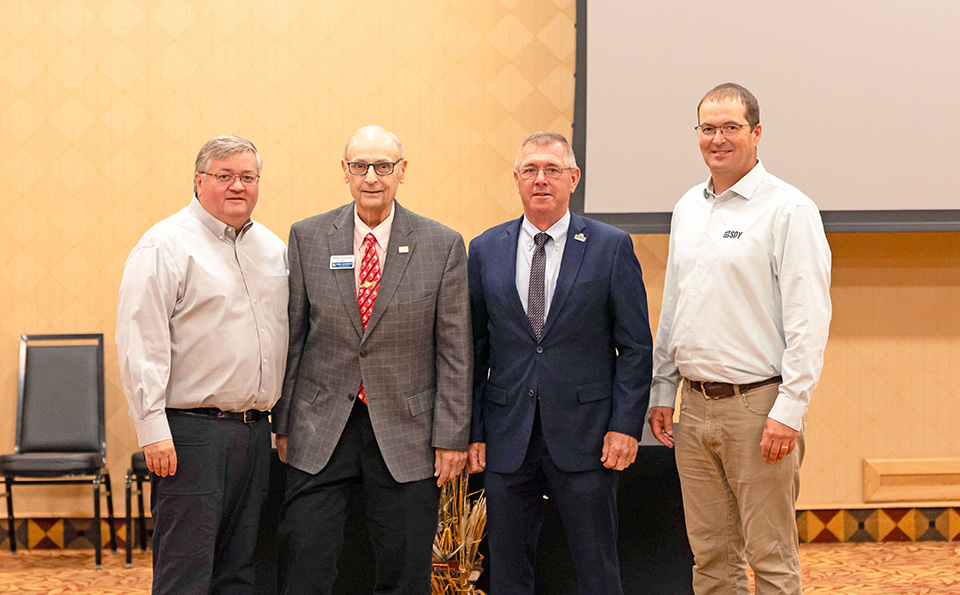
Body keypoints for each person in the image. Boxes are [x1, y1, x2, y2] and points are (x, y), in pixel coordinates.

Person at [647, 83, 832, 594]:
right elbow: (674, 308)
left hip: (759, 408)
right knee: (710, 557)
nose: (718, 139)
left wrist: (788, 410)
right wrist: (663, 390)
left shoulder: (790, 210)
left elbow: (809, 321)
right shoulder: (688, 206)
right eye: (708, 129)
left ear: (755, 133)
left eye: (730, 128)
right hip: (695, 407)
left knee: (770, 557)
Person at [273, 125, 472, 594]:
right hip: (319, 426)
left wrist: (451, 436)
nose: (372, 177)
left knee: (403, 572)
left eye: (383, 166)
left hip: (407, 433)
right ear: (344, 172)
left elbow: (456, 350)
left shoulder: (442, 244)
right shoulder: (308, 237)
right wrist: (282, 423)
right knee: (305, 561)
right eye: (360, 166)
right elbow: (294, 337)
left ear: (402, 172)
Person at [467, 131, 653, 594]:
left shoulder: (611, 246)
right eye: (530, 170)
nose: (541, 179)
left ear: (573, 178)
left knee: (596, 569)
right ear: (516, 180)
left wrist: (626, 426)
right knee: (507, 572)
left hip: (588, 436)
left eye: (552, 169)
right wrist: (472, 432)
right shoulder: (486, 248)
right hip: (508, 436)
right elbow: (473, 350)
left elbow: (635, 347)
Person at [116, 135, 288, 594]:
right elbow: (140, 341)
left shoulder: (273, 250)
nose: (238, 186)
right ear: (198, 181)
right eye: (225, 176)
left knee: (241, 571)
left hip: (255, 435)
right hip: (191, 436)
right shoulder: (164, 245)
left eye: (248, 177)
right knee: (185, 572)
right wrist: (152, 428)